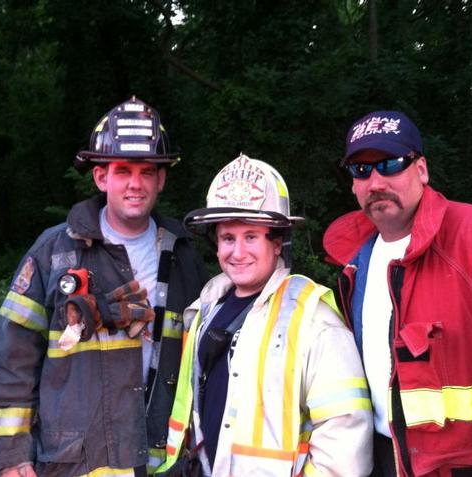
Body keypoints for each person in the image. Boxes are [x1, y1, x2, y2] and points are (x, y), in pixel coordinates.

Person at [323, 111, 472, 477]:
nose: (375, 181)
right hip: (383, 460)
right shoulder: (354, 265)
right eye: (360, 170)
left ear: (421, 170)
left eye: (389, 164)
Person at [0, 96, 209, 477]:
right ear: (101, 177)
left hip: (162, 461)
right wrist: (12, 456)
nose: (135, 184)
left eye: (147, 172)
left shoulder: (183, 253)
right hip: (75, 461)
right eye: (123, 171)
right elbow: (11, 357)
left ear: (161, 179)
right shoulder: (54, 253)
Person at [156, 153, 373, 477]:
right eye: (228, 238)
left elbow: (345, 442)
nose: (237, 252)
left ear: (277, 243)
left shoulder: (313, 319)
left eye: (251, 237)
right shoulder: (205, 309)